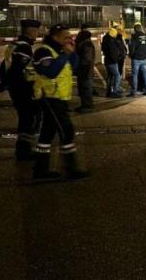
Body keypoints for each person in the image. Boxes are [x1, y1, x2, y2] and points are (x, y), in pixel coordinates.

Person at [32, 24, 89, 180]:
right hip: (49, 98)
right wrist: (64, 54)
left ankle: (40, 171)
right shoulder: (43, 51)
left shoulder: (61, 50)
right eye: (66, 37)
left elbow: (75, 67)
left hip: (60, 98)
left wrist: (72, 53)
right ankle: (71, 168)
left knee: (47, 134)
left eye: (71, 37)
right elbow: (51, 72)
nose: (69, 40)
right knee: (66, 131)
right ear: (55, 37)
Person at [0, 19, 42, 160]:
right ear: (31, 31)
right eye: (36, 31)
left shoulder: (13, 45)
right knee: (29, 120)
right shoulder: (24, 48)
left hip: (16, 89)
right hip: (23, 90)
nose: (38, 33)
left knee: (26, 119)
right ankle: (24, 151)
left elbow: (2, 67)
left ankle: (23, 149)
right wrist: (26, 90)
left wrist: (4, 83)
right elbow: (17, 70)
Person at [75, 24, 95, 112]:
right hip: (84, 69)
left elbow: (87, 59)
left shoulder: (86, 45)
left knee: (86, 88)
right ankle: (84, 105)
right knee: (83, 88)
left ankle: (87, 106)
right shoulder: (85, 44)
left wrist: (80, 65)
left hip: (86, 70)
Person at [128, 23, 146, 97]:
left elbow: (132, 48)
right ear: (140, 28)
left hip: (136, 59)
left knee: (135, 75)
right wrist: (145, 54)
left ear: (135, 29)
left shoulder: (134, 37)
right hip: (144, 58)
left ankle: (134, 92)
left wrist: (131, 55)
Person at [101, 26, 123, 98]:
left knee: (109, 76)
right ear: (113, 34)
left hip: (107, 61)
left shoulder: (105, 39)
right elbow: (113, 52)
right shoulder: (111, 41)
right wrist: (116, 59)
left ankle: (108, 92)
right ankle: (115, 91)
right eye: (115, 34)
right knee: (117, 76)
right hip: (112, 61)